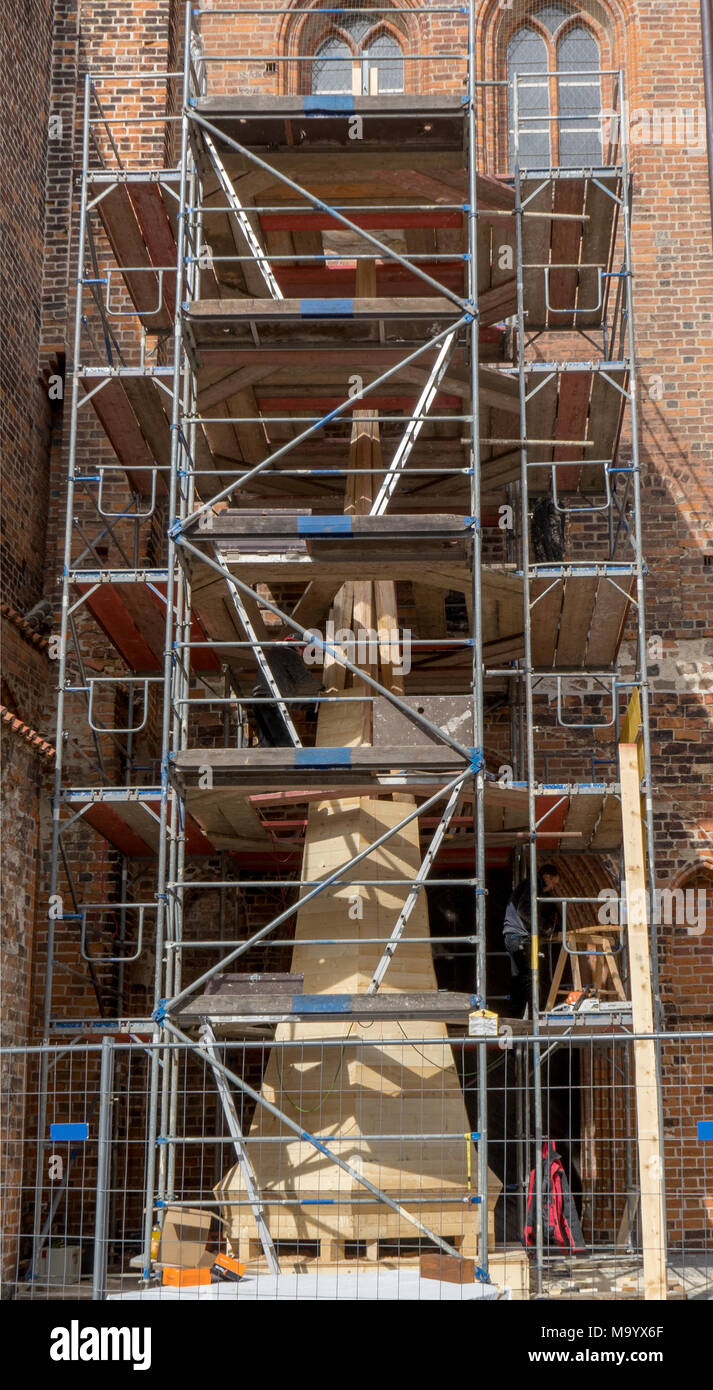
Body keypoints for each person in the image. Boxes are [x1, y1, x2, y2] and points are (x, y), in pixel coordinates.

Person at [502, 864, 561, 1019]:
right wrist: (545, 927)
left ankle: (515, 1021)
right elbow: (524, 910)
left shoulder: (530, 885)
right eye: (553, 883)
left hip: (514, 936)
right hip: (518, 937)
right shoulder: (532, 884)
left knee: (520, 982)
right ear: (547, 876)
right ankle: (537, 1020)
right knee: (531, 981)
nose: (552, 888)